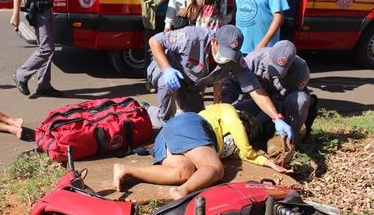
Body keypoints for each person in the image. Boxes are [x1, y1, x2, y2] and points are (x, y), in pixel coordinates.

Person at [145, 24, 294, 141]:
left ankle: (146, 110)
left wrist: (276, 118)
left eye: (230, 55)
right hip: (166, 69)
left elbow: (255, 89)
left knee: (199, 122)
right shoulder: (191, 37)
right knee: (167, 85)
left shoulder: (235, 59)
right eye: (224, 52)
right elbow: (155, 40)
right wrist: (166, 68)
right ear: (214, 41)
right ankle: (164, 129)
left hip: (191, 84)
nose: (226, 58)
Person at [113, 103, 292, 200]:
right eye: (247, 131)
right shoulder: (228, 110)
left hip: (169, 136)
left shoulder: (232, 146)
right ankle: (183, 191)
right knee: (215, 168)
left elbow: (241, 153)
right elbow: (245, 149)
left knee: (182, 172)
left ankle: (125, 170)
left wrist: (268, 162)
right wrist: (253, 152)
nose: (245, 135)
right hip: (190, 124)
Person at [222, 40, 314, 143]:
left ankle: (290, 139)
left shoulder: (301, 71)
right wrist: (224, 108)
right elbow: (231, 85)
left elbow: (280, 101)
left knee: (301, 100)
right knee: (235, 113)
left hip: (284, 102)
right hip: (259, 101)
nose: (275, 75)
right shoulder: (252, 60)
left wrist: (272, 118)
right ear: (269, 54)